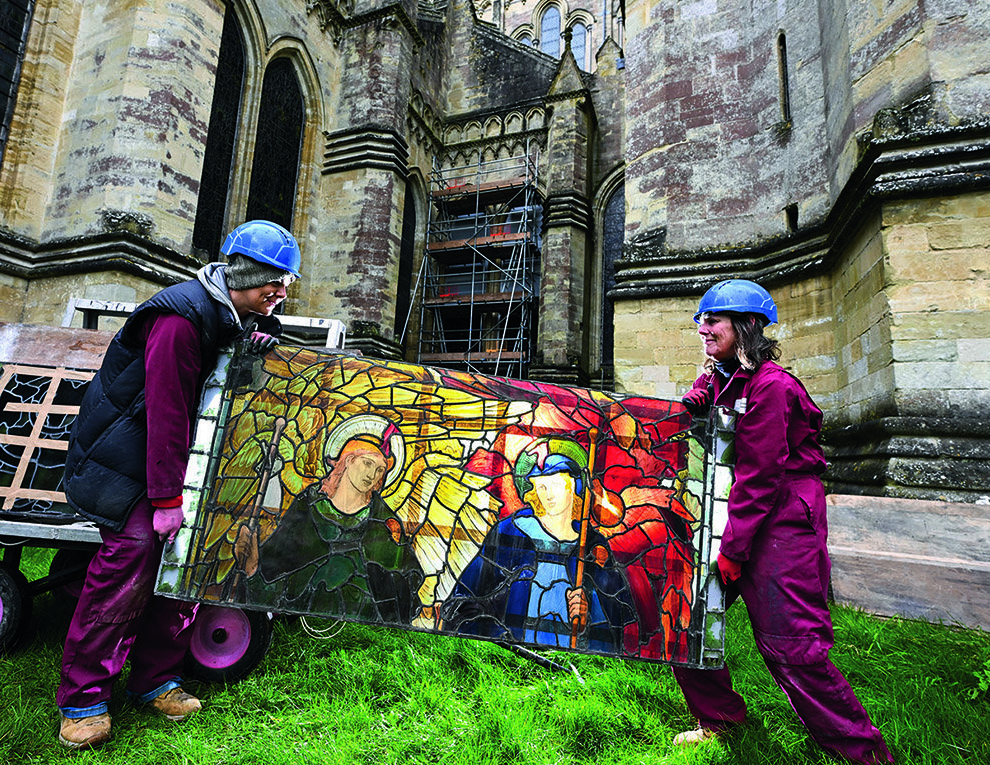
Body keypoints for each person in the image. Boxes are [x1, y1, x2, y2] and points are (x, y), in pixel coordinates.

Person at [55, 220, 301, 750]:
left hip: (179, 461)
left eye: (287, 283)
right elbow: (166, 413)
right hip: (124, 459)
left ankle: (155, 679)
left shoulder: (234, 314)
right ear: (245, 274)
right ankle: (84, 698)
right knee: (138, 551)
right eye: (273, 281)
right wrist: (167, 500)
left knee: (193, 557)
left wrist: (257, 341)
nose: (281, 293)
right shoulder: (179, 317)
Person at [670, 279, 893, 763]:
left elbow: (760, 475)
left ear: (745, 326)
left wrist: (732, 552)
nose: (703, 328)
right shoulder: (727, 375)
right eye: (701, 320)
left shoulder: (773, 387)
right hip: (739, 513)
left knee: (791, 646)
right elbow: (703, 393)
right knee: (688, 621)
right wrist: (674, 410)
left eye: (714, 320)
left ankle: (864, 754)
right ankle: (720, 719)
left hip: (783, 521)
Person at [444, 439, 627, 652]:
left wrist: (590, 611)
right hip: (509, 659)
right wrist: (501, 640)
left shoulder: (592, 547)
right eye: (541, 486)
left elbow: (619, 621)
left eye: (557, 484)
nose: (549, 495)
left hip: (570, 669)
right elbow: (462, 602)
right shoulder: (511, 532)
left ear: (574, 487)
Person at [236, 419, 424, 624]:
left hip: (363, 619)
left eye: (380, 470)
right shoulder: (308, 506)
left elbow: (403, 584)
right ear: (348, 460)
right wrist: (252, 569)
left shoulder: (385, 523)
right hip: (302, 610)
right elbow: (278, 569)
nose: (372, 475)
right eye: (368, 463)